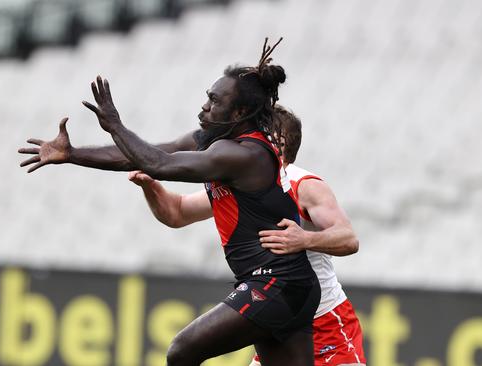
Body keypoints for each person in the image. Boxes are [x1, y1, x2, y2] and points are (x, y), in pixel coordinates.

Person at [19, 39, 320, 365]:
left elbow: (159, 165)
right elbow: (140, 154)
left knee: (182, 351)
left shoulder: (243, 154)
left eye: (215, 101)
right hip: (288, 287)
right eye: (208, 97)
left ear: (240, 112)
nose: (206, 106)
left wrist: (116, 126)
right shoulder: (213, 141)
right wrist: (73, 154)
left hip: (276, 284)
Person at [127, 106, 366, 366]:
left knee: (183, 350)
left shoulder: (303, 185)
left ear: (280, 147)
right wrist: (150, 187)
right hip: (277, 317)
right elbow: (177, 212)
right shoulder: (242, 183)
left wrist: (304, 239)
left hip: (326, 324)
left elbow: (348, 238)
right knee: (182, 351)